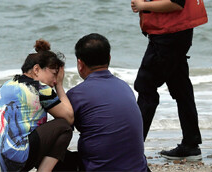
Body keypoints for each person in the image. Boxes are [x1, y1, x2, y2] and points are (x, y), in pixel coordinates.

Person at [130, 0, 208, 160]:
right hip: (176, 34)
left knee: (145, 85)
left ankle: (131, 150)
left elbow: (176, 2)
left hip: (169, 36)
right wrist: (146, 0)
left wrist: (144, 6)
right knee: (180, 87)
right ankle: (191, 145)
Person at [0, 39, 74, 172]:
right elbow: (69, 117)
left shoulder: (8, 84)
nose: (54, 81)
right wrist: (60, 85)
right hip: (7, 162)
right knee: (64, 127)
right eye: (54, 74)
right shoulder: (39, 88)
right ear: (37, 69)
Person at [54, 33, 147, 171]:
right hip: (138, 169)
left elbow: (60, 131)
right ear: (109, 58)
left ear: (80, 64)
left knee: (45, 147)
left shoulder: (77, 94)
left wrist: (58, 86)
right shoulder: (125, 87)